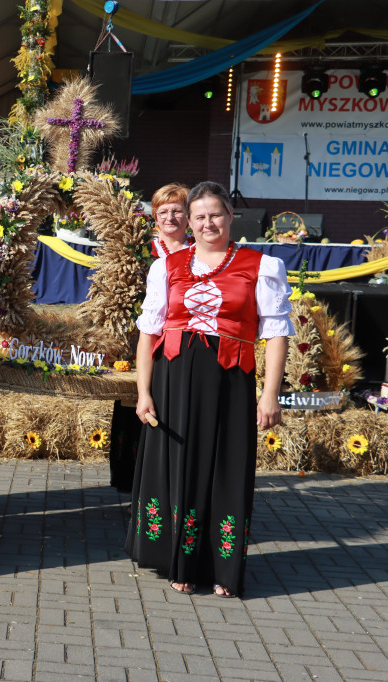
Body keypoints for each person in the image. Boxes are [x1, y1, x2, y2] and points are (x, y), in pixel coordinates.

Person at [125, 181, 291, 598]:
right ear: (189, 221)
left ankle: (222, 569)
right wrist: (143, 392)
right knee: (179, 467)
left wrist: (269, 394)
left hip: (230, 381)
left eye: (215, 214)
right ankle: (179, 563)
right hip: (174, 381)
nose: (206, 223)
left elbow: (276, 333)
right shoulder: (166, 266)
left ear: (231, 217)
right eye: (198, 216)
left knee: (226, 468)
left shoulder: (261, 265)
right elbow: (148, 334)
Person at [110, 183, 192, 495]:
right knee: (139, 415)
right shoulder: (139, 252)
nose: (170, 217)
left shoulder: (199, 254)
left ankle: (171, 488)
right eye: (163, 211)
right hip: (140, 342)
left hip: (181, 349)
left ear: (188, 217)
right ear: (154, 217)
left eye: (177, 210)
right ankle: (141, 493)